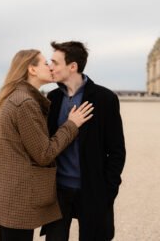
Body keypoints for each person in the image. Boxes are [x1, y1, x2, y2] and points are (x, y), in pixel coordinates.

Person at [0, 49, 94, 241]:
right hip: (17, 199)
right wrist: (72, 124)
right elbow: (44, 153)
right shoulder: (24, 102)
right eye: (45, 63)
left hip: (11, 196)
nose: (50, 67)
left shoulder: (19, 97)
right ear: (31, 69)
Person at [42, 41, 126, 241]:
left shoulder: (105, 99)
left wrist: (108, 190)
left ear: (73, 67)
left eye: (55, 62)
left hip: (93, 190)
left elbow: (117, 150)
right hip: (57, 192)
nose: (50, 66)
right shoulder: (51, 98)